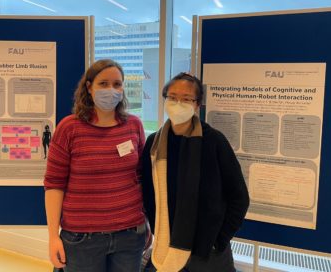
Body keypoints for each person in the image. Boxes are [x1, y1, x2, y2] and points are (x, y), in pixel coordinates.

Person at [44, 59, 146, 272]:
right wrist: (53, 236)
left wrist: (147, 224)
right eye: (103, 84)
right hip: (82, 239)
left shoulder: (134, 125)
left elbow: (142, 178)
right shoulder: (69, 128)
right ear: (89, 87)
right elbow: (54, 185)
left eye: (117, 84)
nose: (111, 90)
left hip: (129, 235)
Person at [141, 72, 249, 272]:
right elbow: (148, 193)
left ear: (197, 105)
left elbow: (239, 196)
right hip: (166, 243)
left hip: (208, 251)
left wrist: (219, 239)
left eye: (186, 99)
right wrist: (157, 228)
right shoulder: (154, 144)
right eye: (172, 97)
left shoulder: (214, 141)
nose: (177, 103)